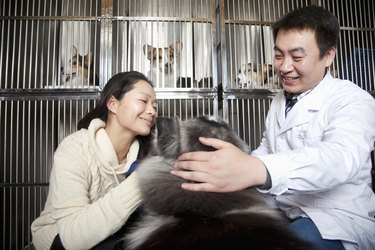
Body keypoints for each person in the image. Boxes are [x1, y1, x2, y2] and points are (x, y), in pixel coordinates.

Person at [172, 5, 375, 250]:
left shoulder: (353, 100)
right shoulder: (281, 99)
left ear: (328, 55)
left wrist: (257, 169)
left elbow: (340, 158)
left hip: (335, 217)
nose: (284, 67)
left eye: (297, 57)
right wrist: (231, 167)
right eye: (279, 55)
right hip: (283, 208)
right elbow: (268, 148)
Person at [31, 71, 158, 250]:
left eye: (155, 105)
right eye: (143, 101)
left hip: (113, 235)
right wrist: (141, 181)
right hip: (60, 239)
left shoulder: (146, 152)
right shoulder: (75, 148)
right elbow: (72, 238)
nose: (152, 111)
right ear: (113, 104)